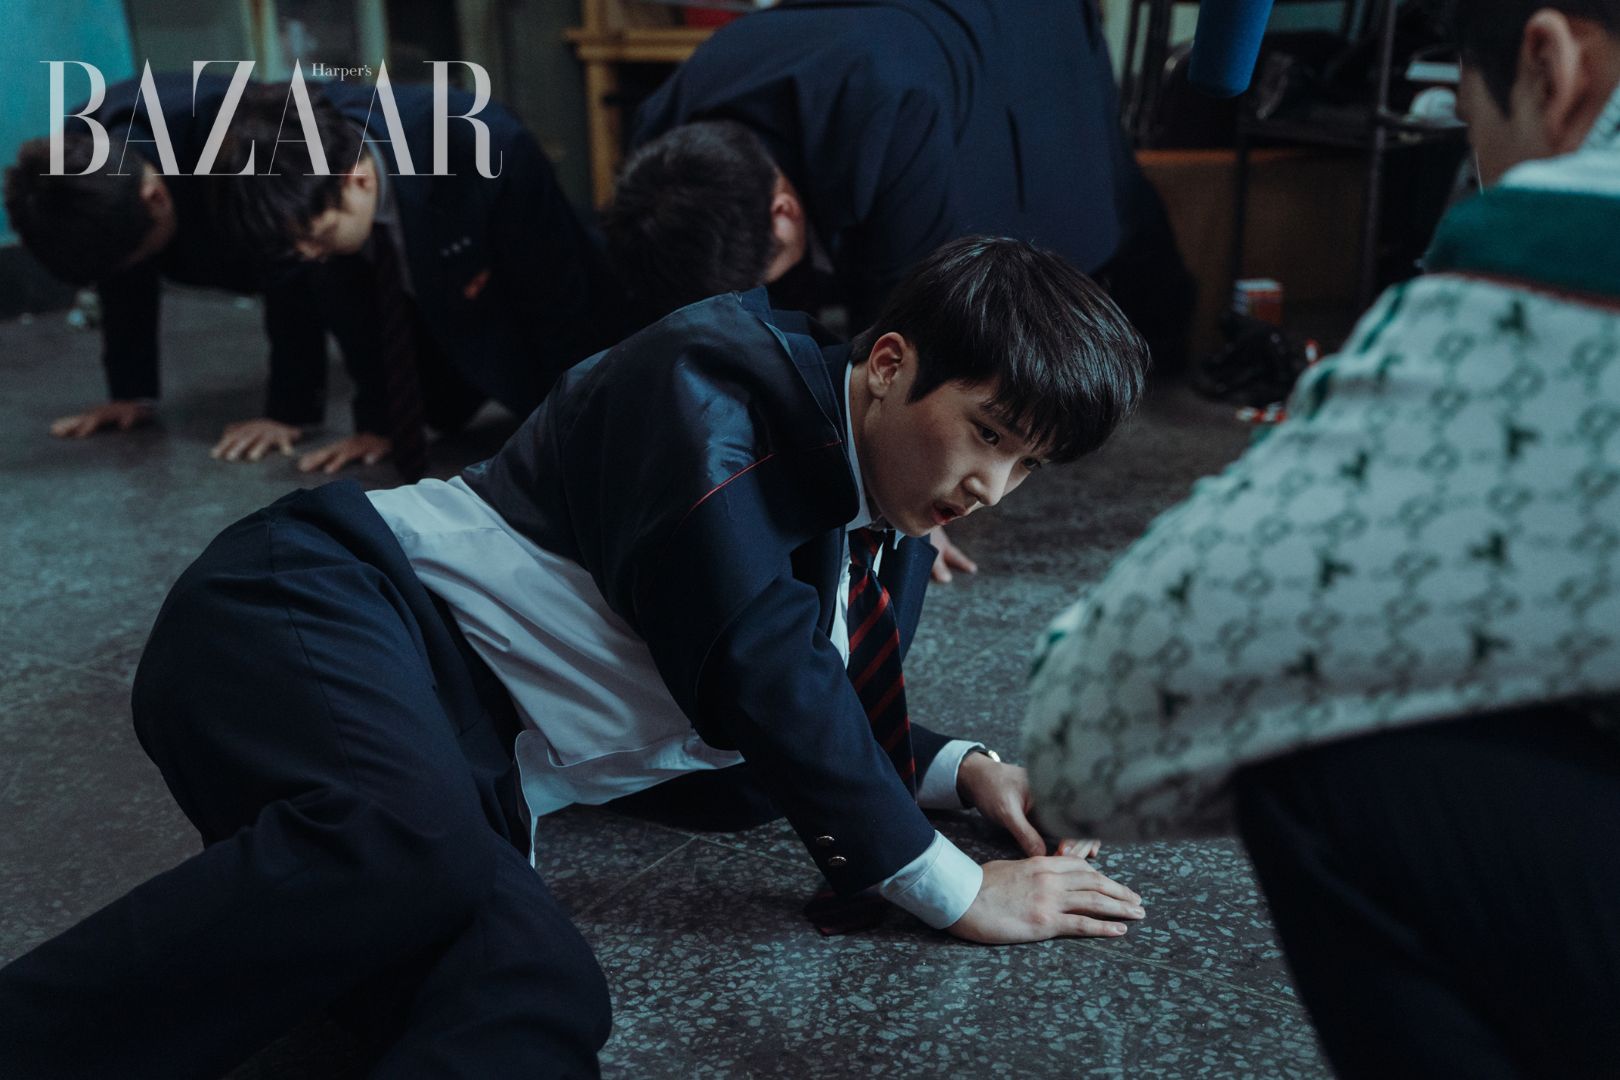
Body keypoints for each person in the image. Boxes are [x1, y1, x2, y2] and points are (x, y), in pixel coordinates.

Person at [0, 237, 1150, 1077]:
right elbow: (765, 669)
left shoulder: (884, 522)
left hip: (461, 772)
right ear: (890, 363)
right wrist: (956, 890)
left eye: (1027, 466)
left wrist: (964, 771)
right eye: (989, 435)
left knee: (537, 989)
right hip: (324, 605)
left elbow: (813, 699)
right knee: (405, 844)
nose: (991, 489)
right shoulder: (710, 388)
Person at [1022, 3, 1620, 1076]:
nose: (1483, 175)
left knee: (1324, 763)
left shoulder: (1565, 247)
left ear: (1551, 64)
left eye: (1472, 128)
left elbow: (1083, 726)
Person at [604, 0, 1193, 580]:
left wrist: (909, 499)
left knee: (1103, 190)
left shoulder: (895, 115)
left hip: (1023, 22)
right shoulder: (663, 128)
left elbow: (909, 314)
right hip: (865, 46)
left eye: (770, 269)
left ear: (782, 210)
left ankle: (1176, 336)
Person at [214, 79, 625, 477]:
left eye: (319, 237)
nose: (308, 254)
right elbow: (331, 291)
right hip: (442, 358)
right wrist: (376, 421)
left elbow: (557, 302)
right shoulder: (292, 157)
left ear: (357, 179)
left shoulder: (482, 144)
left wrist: (571, 429)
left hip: (554, 335)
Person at [3, 74, 332, 458]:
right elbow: (119, 277)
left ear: (156, 198)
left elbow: (291, 273)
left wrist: (289, 412)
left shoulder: (237, 140)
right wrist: (131, 393)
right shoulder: (72, 159)